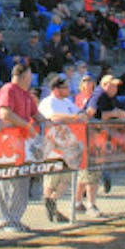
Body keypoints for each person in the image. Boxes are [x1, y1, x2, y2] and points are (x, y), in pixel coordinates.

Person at [0, 64, 43, 233]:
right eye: (28, 78)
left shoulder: (26, 94)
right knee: (5, 181)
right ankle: (4, 220)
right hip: (7, 143)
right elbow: (5, 113)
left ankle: (15, 219)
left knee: (21, 182)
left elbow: (36, 114)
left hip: (23, 145)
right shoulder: (8, 89)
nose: (30, 82)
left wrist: (50, 124)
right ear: (21, 77)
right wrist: (27, 126)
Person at [38, 74, 87, 223]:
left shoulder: (67, 102)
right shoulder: (48, 102)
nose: (68, 90)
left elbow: (79, 112)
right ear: (56, 89)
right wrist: (73, 118)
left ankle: (52, 202)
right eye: (65, 87)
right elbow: (53, 117)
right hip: (53, 145)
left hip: (69, 146)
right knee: (52, 178)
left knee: (66, 179)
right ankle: (49, 202)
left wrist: (81, 114)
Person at [80, 76, 125, 216]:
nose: (115, 89)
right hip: (91, 137)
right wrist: (112, 114)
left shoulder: (109, 96)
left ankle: (78, 203)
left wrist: (117, 113)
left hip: (99, 137)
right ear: (105, 85)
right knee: (91, 173)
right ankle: (90, 205)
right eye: (113, 86)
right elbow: (92, 114)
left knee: (86, 174)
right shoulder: (99, 94)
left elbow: (120, 111)